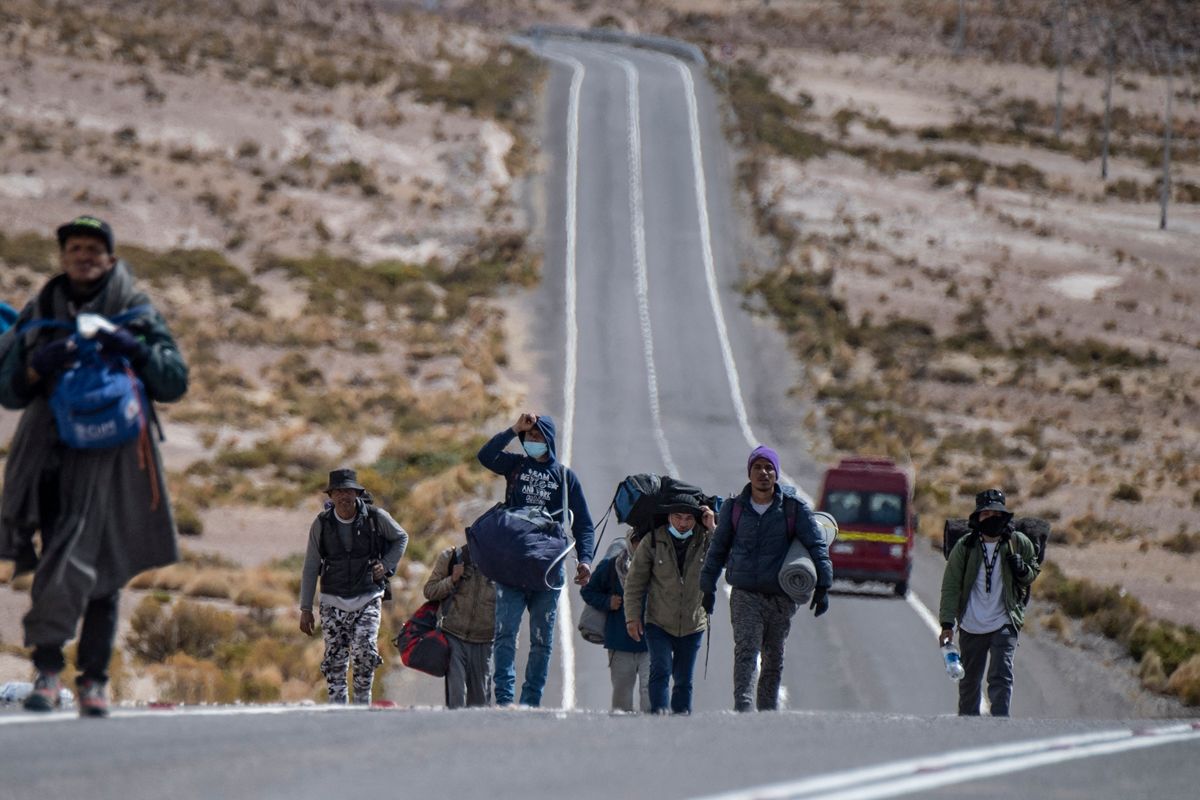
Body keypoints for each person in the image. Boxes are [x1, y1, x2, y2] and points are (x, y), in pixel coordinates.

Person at [0, 215, 189, 717]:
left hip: (118, 464)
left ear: (110, 257)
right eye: (75, 248)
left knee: (106, 567)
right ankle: (46, 669)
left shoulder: (135, 312)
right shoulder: (41, 311)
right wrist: (42, 364)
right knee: (59, 557)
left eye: (93, 248)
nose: (84, 256)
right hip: (51, 459)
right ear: (63, 258)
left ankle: (93, 680)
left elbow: (174, 381)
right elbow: (9, 389)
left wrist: (130, 347)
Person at [700, 445, 833, 712]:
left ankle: (767, 713)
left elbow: (817, 546)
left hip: (781, 597)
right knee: (746, 651)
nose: (764, 473)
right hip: (745, 594)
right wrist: (708, 587)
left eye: (769, 467)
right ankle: (744, 708)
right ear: (749, 473)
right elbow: (718, 549)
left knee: (774, 657)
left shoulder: (794, 510)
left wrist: (823, 586)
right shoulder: (734, 509)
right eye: (758, 467)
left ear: (776, 474)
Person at [477, 411, 594, 707]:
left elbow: (582, 524)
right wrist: (513, 428)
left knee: (542, 641)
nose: (533, 440)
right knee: (505, 635)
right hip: (511, 567)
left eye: (539, 435)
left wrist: (585, 560)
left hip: (547, 571)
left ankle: (531, 702)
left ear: (550, 439)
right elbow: (485, 455)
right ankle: (504, 700)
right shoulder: (515, 465)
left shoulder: (566, 478)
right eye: (529, 436)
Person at [299, 469, 408, 704]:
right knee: (335, 662)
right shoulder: (321, 524)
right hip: (331, 601)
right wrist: (305, 608)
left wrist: (386, 565)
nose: (344, 497)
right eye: (339, 491)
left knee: (365, 654)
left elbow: (401, 537)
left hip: (368, 597)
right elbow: (310, 566)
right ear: (331, 495)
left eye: (348, 491)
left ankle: (362, 704)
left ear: (357, 493)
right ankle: (339, 712)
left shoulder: (375, 517)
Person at [938, 488, 1040, 717]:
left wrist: (1021, 569)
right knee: (969, 681)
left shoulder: (1018, 543)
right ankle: (969, 728)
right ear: (977, 518)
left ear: (1004, 516)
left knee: (1001, 674)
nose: (991, 519)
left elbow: (1032, 572)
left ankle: (1000, 726)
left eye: (996, 514)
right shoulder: (965, 547)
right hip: (970, 623)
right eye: (986, 515)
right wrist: (946, 624)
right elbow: (951, 586)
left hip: (1004, 620)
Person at [624, 495, 716, 715]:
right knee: (660, 671)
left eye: (688, 518)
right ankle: (658, 717)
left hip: (694, 624)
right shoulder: (653, 540)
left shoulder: (705, 540)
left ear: (697, 519)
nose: (682, 523)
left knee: (684, 678)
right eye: (677, 517)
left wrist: (713, 527)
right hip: (658, 622)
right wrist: (632, 617)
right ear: (668, 516)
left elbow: (730, 557)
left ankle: (682, 721)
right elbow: (635, 582)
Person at [581, 529, 650, 712]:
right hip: (620, 643)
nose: (641, 548)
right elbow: (588, 591)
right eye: (637, 542)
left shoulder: (661, 567)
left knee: (650, 695)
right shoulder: (613, 566)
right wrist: (607, 602)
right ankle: (622, 736)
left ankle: (654, 734)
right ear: (630, 543)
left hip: (652, 643)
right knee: (622, 697)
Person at [423, 542, 496, 708]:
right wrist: (452, 579)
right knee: (456, 698)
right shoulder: (453, 557)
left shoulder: (502, 562)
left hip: (484, 642)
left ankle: (474, 734)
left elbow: (512, 605)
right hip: (453, 636)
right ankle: (454, 732)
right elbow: (429, 591)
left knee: (480, 704)